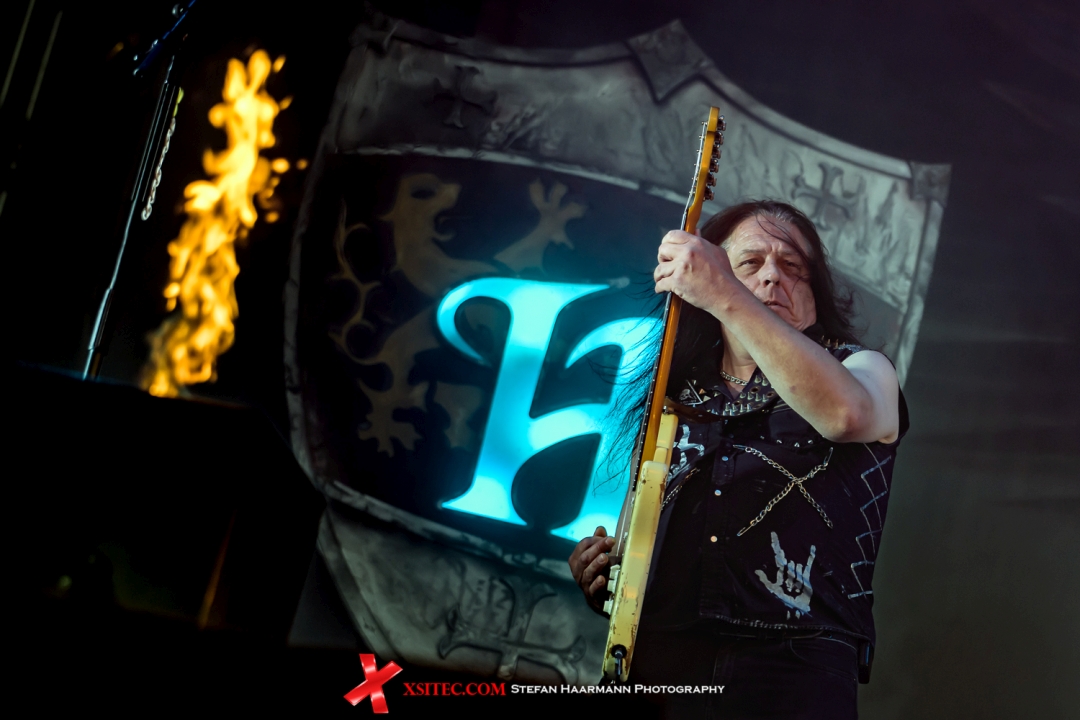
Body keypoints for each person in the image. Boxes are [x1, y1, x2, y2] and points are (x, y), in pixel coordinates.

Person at [568, 200, 907, 719]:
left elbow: (845, 416)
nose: (773, 276)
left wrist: (726, 290)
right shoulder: (673, 400)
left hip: (793, 669)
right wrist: (611, 579)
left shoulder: (863, 369)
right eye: (750, 263)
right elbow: (638, 543)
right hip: (663, 664)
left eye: (793, 266)